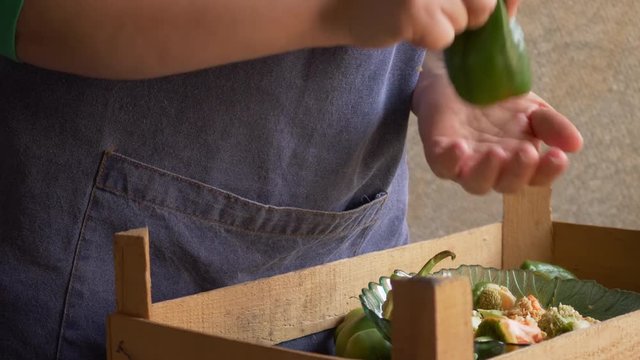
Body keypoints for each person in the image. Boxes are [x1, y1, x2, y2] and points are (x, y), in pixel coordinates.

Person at [0, 0, 582, 359]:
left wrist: (448, 64)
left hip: (349, 257)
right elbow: (32, 12)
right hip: (99, 286)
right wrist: (333, 8)